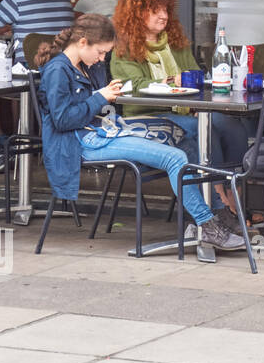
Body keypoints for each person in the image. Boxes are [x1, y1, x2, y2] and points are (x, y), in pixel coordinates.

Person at [34, 14, 244, 252]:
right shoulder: (57, 70)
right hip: (80, 142)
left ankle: (208, 217)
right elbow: (63, 121)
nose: (102, 58)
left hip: (102, 131)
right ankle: (208, 226)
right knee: (175, 157)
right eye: (101, 52)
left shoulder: (85, 66)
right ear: (83, 43)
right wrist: (100, 97)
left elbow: (94, 105)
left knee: (185, 141)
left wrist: (104, 90)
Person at [110, 0, 252, 171]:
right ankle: (217, 194)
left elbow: (195, 76)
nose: (164, 16)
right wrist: (171, 81)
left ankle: (233, 185)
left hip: (186, 111)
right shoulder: (123, 50)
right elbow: (135, 86)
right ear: (137, 13)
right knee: (206, 131)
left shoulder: (175, 43)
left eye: (166, 10)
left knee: (233, 127)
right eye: (156, 10)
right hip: (147, 116)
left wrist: (192, 101)